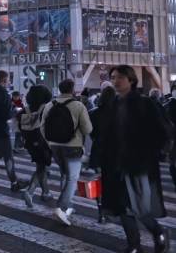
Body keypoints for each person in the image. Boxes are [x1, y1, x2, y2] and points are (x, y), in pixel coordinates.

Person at [94, 66, 171, 253]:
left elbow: (163, 131)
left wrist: (150, 152)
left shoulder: (145, 103)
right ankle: (134, 245)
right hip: (114, 164)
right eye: (113, 77)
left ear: (131, 80)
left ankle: (158, 232)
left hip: (137, 164)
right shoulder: (112, 105)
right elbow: (103, 135)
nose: (116, 81)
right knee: (122, 207)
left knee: (138, 207)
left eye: (120, 77)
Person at [39, 79, 93, 226]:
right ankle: (61, 207)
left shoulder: (50, 105)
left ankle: (68, 205)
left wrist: (50, 142)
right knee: (72, 178)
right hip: (73, 146)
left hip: (55, 146)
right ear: (73, 90)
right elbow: (88, 129)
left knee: (65, 174)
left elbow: (42, 127)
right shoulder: (78, 106)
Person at [18, 85, 54, 208]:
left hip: (29, 143)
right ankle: (30, 191)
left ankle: (46, 192)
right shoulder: (47, 109)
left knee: (41, 165)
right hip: (43, 143)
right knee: (42, 168)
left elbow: (19, 127)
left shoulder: (25, 110)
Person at [88, 85, 116, 224]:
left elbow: (91, 133)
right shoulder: (120, 113)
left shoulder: (93, 113)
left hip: (98, 151)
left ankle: (101, 212)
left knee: (100, 182)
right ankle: (113, 209)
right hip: (116, 152)